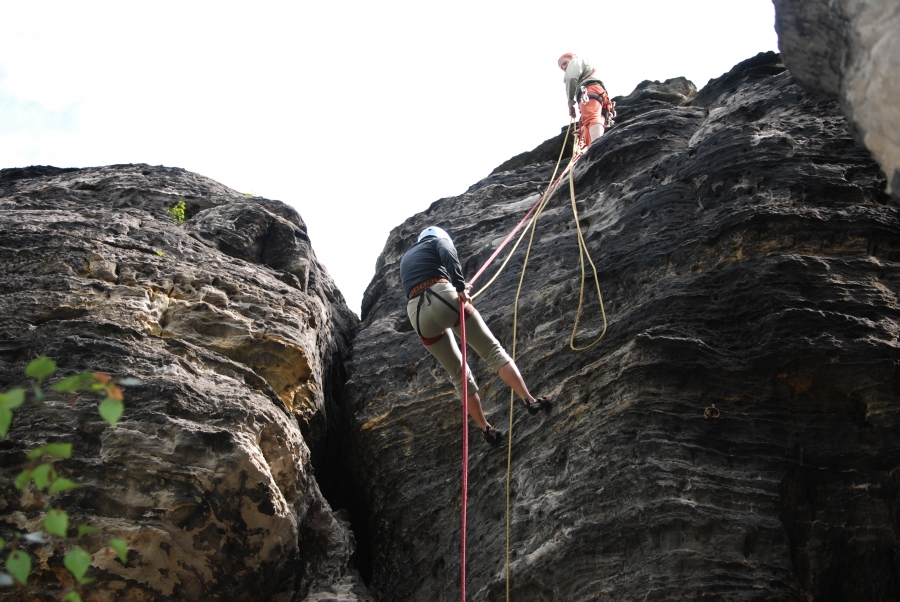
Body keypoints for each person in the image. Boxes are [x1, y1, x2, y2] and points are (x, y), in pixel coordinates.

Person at [400, 226, 551, 445]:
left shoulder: (406, 258)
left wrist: (453, 286)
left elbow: (421, 278)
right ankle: (529, 400)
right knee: (492, 350)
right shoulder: (437, 241)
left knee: (458, 375)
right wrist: (459, 286)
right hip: (442, 296)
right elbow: (447, 253)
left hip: (417, 315)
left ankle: (486, 429)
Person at [558, 52, 613, 149]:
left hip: (589, 91)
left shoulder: (576, 61)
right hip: (600, 95)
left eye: (565, 63)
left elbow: (570, 78)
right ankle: (593, 145)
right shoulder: (588, 69)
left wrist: (571, 104)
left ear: (573, 57)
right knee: (596, 119)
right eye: (562, 68)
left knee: (591, 118)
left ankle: (596, 146)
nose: (564, 67)